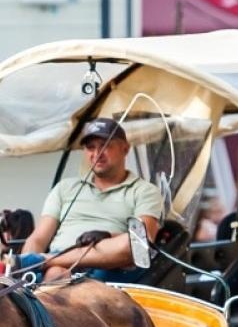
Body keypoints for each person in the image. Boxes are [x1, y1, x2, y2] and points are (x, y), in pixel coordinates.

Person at [21, 118, 164, 281]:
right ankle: (42, 264)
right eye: (90, 147)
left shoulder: (145, 190)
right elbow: (39, 237)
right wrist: (22, 271)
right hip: (55, 266)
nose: (97, 154)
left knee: (134, 242)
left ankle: (43, 262)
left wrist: (108, 235)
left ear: (125, 149)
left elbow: (142, 243)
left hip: (108, 267)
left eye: (105, 145)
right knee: (56, 273)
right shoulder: (65, 188)